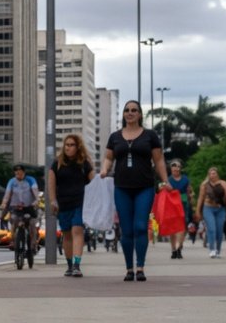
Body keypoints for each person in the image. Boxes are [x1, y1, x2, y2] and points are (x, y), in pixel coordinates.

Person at [99, 101, 170, 281]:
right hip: (122, 187)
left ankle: (141, 267)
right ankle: (129, 268)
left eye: (134, 110)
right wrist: (105, 169)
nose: (130, 113)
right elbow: (109, 157)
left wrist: (165, 180)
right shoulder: (115, 137)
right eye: (127, 110)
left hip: (144, 187)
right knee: (127, 230)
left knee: (140, 226)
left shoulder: (150, 136)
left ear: (140, 115)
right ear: (123, 114)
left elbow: (159, 160)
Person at [47, 134, 96, 277]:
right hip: (63, 203)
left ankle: (76, 265)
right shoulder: (57, 163)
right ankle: (69, 265)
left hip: (80, 203)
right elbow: (51, 183)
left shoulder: (84, 164)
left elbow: (94, 182)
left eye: (72, 145)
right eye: (66, 145)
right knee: (67, 234)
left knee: (77, 231)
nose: (68, 147)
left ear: (78, 146)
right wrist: (53, 201)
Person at [0, 163, 40, 263]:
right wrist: (4, 203)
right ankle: (13, 241)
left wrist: (36, 202)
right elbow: (7, 194)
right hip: (16, 207)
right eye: (16, 172)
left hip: (29, 207)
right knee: (14, 221)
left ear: (24, 172)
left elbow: (36, 193)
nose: (18, 174)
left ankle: (33, 245)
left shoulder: (30, 180)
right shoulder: (12, 182)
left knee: (31, 224)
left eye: (20, 172)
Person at [195, 167, 226, 258]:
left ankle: (218, 250)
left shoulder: (223, 184)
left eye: (214, 173)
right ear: (208, 175)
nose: (212, 175)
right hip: (208, 208)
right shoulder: (204, 184)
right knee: (211, 229)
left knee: (219, 231)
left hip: (220, 209)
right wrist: (197, 211)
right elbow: (200, 198)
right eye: (210, 174)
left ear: (217, 174)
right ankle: (212, 249)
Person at [166, 160, 192, 259]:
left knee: (182, 226)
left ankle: (179, 247)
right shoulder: (168, 180)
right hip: (171, 205)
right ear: (171, 168)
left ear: (180, 168)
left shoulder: (185, 179)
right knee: (172, 228)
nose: (176, 168)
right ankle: (173, 249)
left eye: (178, 166)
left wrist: (190, 201)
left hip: (183, 204)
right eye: (174, 166)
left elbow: (189, 192)